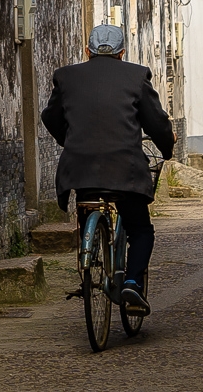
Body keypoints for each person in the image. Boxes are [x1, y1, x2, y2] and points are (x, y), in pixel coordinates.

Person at [40, 23, 178, 313]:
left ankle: (87, 261)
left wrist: (72, 141)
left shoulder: (66, 77)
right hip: (124, 169)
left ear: (87, 51)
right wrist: (167, 148)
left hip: (79, 169)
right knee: (140, 229)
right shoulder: (136, 76)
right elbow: (156, 123)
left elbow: (51, 117)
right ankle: (132, 283)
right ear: (122, 52)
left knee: (88, 203)